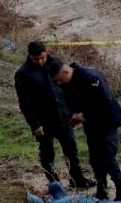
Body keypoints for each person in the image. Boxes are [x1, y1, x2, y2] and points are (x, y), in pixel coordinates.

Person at [14, 41, 93, 188]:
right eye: (35, 59)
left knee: (71, 150)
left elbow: (69, 87)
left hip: (64, 116)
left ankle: (77, 179)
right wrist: (35, 124)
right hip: (43, 121)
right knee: (47, 154)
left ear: (46, 52)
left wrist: (75, 110)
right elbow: (25, 103)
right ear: (29, 56)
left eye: (42, 57)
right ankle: (54, 183)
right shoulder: (23, 74)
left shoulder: (55, 63)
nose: (40, 61)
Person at [48, 61, 121, 201]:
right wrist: (73, 116)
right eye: (57, 82)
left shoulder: (90, 77)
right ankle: (102, 191)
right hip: (92, 125)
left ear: (66, 72)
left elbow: (105, 101)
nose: (59, 84)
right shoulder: (68, 84)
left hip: (107, 121)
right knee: (95, 159)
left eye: (60, 80)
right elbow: (72, 103)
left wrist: (84, 115)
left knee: (107, 157)